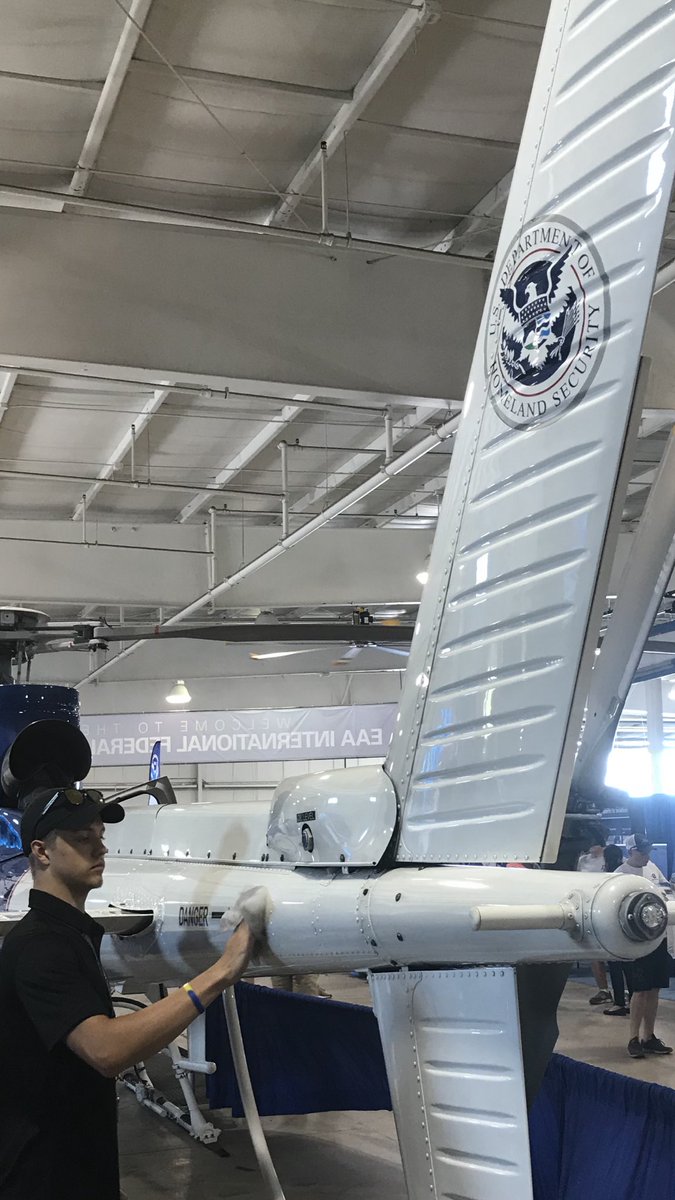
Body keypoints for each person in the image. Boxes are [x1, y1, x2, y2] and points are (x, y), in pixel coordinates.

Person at [0, 785, 255, 1200]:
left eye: (99, 836)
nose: (99, 848)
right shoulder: (40, 946)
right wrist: (220, 973)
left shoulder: (70, 936)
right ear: (41, 852)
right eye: (82, 839)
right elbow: (107, 1050)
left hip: (76, 1169)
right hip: (43, 1178)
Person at [614, 834, 673, 1059]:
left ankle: (649, 1036)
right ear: (631, 852)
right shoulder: (620, 875)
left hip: (657, 937)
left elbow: (666, 894)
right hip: (635, 941)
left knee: (654, 988)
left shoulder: (653, 868)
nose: (647, 855)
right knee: (639, 990)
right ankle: (633, 1037)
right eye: (643, 852)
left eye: (648, 851)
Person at [577, 842, 612, 1005]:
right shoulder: (582, 860)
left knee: (616, 954)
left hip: (608, 908)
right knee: (594, 953)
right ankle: (603, 990)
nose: (590, 847)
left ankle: (624, 990)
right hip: (589, 908)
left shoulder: (610, 857)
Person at [602, 844, 631, 1016]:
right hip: (626, 926)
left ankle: (619, 1002)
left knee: (615, 966)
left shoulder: (611, 875)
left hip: (612, 926)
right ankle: (631, 998)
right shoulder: (624, 870)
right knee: (628, 966)